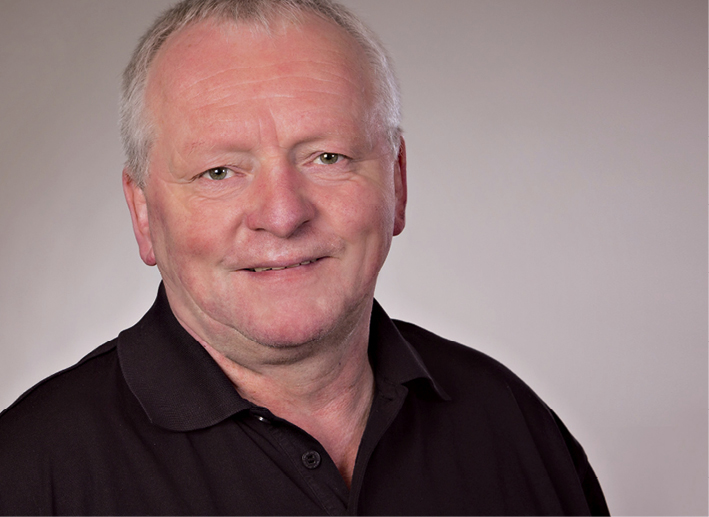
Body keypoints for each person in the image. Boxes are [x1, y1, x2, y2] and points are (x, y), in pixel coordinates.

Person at [0, 0, 609, 514]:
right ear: (142, 211)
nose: (284, 214)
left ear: (397, 182)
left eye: (328, 158)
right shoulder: (28, 474)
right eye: (220, 171)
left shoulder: (514, 426)